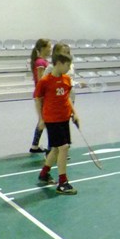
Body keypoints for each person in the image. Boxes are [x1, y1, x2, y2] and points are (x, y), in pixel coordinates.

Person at [35, 51, 80, 195]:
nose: (69, 68)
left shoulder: (66, 79)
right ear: (59, 63)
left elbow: (67, 97)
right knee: (64, 147)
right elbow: (38, 100)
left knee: (55, 148)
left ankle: (44, 174)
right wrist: (41, 119)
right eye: (67, 65)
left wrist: (74, 113)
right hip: (52, 119)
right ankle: (62, 183)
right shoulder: (45, 81)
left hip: (64, 118)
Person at [28, 38, 52, 153]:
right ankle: (51, 148)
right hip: (42, 95)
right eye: (49, 46)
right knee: (48, 121)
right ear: (43, 48)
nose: (51, 49)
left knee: (42, 120)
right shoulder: (40, 63)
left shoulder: (43, 61)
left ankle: (34, 146)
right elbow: (41, 80)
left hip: (43, 95)